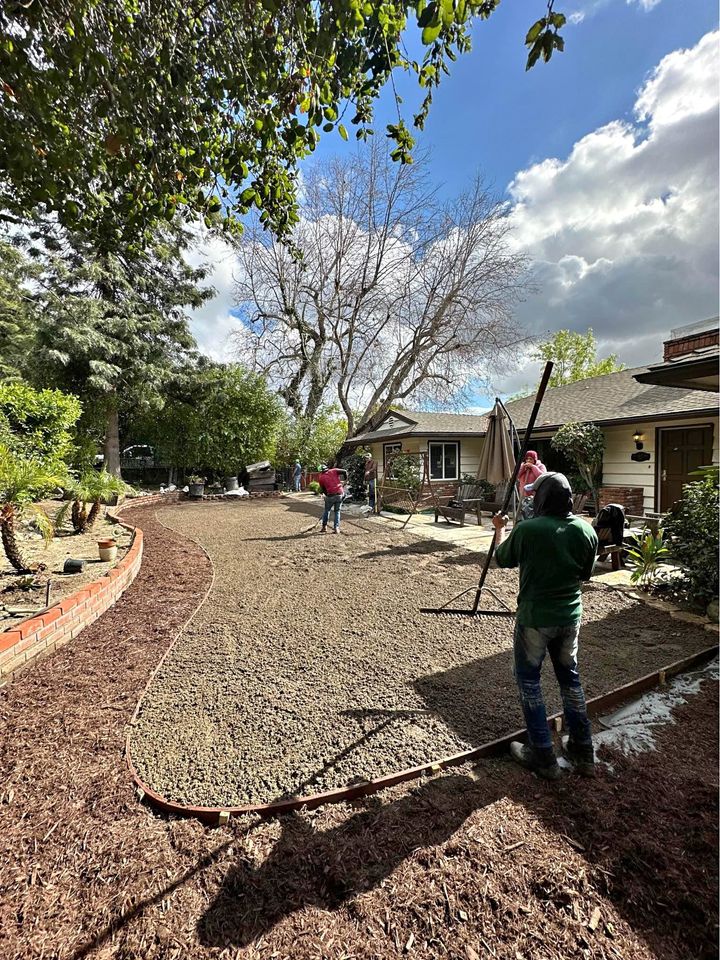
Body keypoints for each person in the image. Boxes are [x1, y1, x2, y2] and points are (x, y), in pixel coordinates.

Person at [492, 472, 598, 780]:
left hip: (535, 619)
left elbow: (503, 559)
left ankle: (542, 754)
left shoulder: (529, 530)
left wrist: (499, 531)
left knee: (529, 681)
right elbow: (586, 574)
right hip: (570, 617)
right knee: (570, 680)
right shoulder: (585, 530)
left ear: (542, 499)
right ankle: (583, 749)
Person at [516, 450, 546, 521]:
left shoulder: (540, 466)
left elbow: (543, 477)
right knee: (523, 514)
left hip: (535, 496)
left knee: (532, 515)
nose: (528, 460)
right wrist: (523, 468)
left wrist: (533, 467)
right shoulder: (522, 465)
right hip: (523, 496)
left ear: (535, 459)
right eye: (527, 459)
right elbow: (516, 476)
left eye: (531, 459)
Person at [318, 462, 347, 534]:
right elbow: (345, 471)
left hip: (330, 495)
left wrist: (327, 495)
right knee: (337, 511)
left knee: (327, 510)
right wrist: (346, 480)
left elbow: (323, 489)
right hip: (339, 494)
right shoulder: (334, 470)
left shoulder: (321, 478)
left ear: (321, 471)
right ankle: (336, 528)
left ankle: (324, 527)